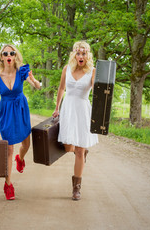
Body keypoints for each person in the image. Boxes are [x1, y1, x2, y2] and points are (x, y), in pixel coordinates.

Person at [0, 44, 41, 200]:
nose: (9, 55)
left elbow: (37, 86)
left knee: (26, 144)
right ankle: (8, 185)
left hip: (21, 110)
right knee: (9, 149)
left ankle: (21, 159)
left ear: (15, 56)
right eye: (5, 53)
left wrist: (33, 79)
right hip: (6, 114)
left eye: (12, 53)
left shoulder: (22, 71)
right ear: (2, 57)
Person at [52, 41, 98, 200]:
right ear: (74, 54)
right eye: (78, 53)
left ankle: (76, 188)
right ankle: (83, 151)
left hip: (83, 110)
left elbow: (98, 92)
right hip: (68, 109)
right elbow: (61, 88)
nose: (81, 56)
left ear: (88, 55)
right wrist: (57, 107)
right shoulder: (67, 69)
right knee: (67, 146)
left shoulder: (92, 71)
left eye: (84, 53)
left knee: (79, 149)